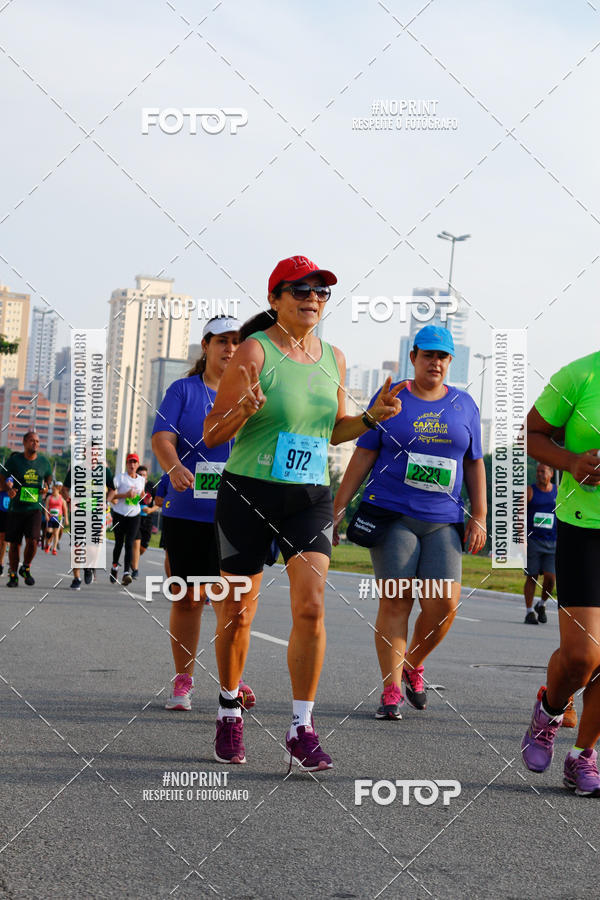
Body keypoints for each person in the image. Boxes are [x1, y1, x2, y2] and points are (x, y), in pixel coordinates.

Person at [203, 255, 403, 769]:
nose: (313, 298)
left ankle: (301, 726)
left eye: (321, 291)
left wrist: (370, 418)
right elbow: (211, 435)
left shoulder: (332, 357)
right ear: (275, 299)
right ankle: (229, 709)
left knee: (312, 607)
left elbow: (332, 431)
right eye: (301, 290)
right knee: (238, 611)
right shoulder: (254, 349)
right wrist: (243, 410)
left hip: (309, 496)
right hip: (249, 491)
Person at [333, 325, 487, 720]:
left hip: (443, 520)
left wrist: (481, 515)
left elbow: (474, 462)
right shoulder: (393, 397)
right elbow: (364, 454)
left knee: (444, 605)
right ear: (414, 356)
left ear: (450, 362)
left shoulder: (465, 405)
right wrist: (337, 507)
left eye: (443, 357)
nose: (435, 362)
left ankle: (412, 663)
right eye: (428, 355)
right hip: (393, 515)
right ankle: (389, 690)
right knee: (398, 599)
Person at [152, 315, 255, 713]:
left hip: (237, 515)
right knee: (189, 599)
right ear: (206, 346)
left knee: (232, 603)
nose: (230, 348)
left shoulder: (254, 392)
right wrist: (174, 466)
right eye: (222, 341)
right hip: (188, 513)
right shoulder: (184, 390)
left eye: (237, 341)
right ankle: (184, 680)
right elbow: (162, 436)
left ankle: (232, 680)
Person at [521, 350, 600, 796]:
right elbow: (530, 434)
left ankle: (582, 756)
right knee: (583, 657)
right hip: (584, 528)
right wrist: (571, 462)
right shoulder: (582, 374)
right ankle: (550, 709)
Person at [2, 431, 52, 587]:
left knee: (33, 541)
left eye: (37, 441)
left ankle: (26, 567)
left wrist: (46, 486)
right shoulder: (15, 461)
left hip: (34, 508)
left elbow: (48, 477)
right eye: (32, 440)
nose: (35, 443)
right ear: (24, 442)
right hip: (16, 509)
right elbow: (2, 479)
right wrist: (8, 489)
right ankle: (13, 575)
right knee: (15, 544)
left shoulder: (44, 462)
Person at [62, 466, 115, 589]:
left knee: (93, 548)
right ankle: (76, 578)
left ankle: (88, 566)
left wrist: (106, 502)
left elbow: (112, 490)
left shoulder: (105, 471)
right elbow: (64, 489)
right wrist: (69, 500)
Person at [524, 463, 557, 625]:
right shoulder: (530, 491)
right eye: (538, 472)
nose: (539, 474)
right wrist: (520, 537)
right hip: (533, 540)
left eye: (543, 471)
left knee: (551, 578)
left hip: (553, 540)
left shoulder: (558, 491)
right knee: (532, 576)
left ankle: (541, 604)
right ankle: (529, 611)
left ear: (551, 473)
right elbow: (519, 514)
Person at [110, 453, 145, 586]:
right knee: (119, 543)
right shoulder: (120, 478)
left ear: (137, 465)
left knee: (129, 543)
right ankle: (114, 567)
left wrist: (144, 497)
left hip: (134, 515)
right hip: (120, 514)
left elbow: (141, 495)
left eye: (134, 462)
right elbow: (112, 493)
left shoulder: (141, 480)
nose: (132, 465)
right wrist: (125, 495)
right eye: (130, 462)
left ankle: (126, 572)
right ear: (126, 464)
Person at [130, 465, 159, 580]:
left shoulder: (151, 486)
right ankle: (135, 570)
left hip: (148, 519)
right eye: (140, 475)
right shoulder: (133, 485)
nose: (142, 477)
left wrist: (151, 509)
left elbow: (159, 502)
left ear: (147, 477)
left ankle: (132, 558)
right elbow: (128, 501)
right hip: (135, 518)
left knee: (143, 547)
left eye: (144, 475)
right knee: (136, 543)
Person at [44, 483, 69, 555]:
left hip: (58, 517)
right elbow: (46, 508)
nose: (53, 491)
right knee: (49, 532)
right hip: (51, 517)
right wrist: (46, 515)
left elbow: (65, 510)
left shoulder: (61, 499)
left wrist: (66, 519)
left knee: (56, 533)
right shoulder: (49, 498)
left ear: (58, 490)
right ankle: (47, 543)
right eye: (52, 490)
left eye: (54, 490)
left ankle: (54, 548)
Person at [0, 480, 10, 574]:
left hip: (11, 513)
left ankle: (1, 563)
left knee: (5, 541)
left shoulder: (17, 475)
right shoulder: (3, 475)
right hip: (1, 511)